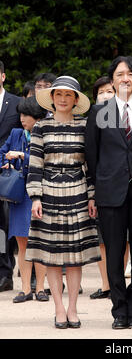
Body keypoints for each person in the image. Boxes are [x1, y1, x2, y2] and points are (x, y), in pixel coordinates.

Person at [85, 56, 132, 330]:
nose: (124, 78)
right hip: (110, 191)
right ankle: (119, 310)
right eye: (119, 74)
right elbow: (92, 153)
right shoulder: (98, 111)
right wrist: (96, 188)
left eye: (129, 74)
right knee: (113, 253)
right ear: (112, 80)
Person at [25, 76, 101, 329]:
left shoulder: (85, 126)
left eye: (69, 95)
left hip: (78, 195)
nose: (63, 99)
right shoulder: (40, 128)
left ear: (76, 100)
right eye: (59, 95)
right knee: (52, 257)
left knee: (75, 257)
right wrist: (35, 197)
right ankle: (58, 308)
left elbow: (90, 165)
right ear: (52, 98)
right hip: (48, 196)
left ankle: (72, 308)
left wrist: (92, 195)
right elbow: (35, 165)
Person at [0, 97, 48, 303]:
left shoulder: (46, 133)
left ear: (37, 117)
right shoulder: (16, 133)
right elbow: (1, 153)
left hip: (40, 194)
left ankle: (41, 288)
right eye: (20, 115)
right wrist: (6, 163)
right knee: (22, 243)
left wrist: (22, 156)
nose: (21, 119)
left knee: (41, 242)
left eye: (25, 115)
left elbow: (47, 160)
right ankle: (26, 288)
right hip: (19, 195)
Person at [89, 76, 130, 300]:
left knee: (123, 241)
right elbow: (92, 154)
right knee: (104, 241)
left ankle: (120, 284)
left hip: (130, 188)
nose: (105, 95)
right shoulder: (95, 116)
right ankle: (107, 284)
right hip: (105, 188)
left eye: (108, 91)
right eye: (100, 92)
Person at [0, 60, 22, 293]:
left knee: (5, 225)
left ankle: (5, 272)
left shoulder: (16, 103)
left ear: (3, 76)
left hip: (8, 173)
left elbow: (23, 134)